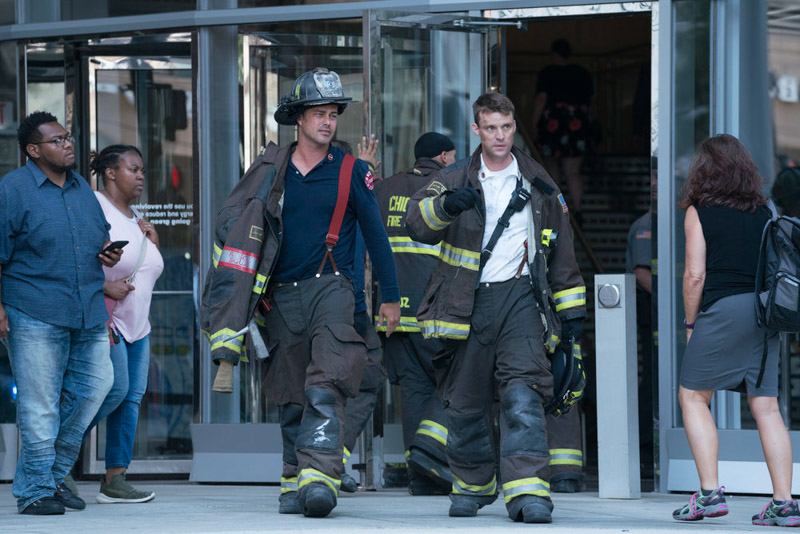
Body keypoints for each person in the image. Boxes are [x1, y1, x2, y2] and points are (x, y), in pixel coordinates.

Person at [201, 68, 400, 518]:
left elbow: (377, 236)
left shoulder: (351, 170)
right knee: (291, 394)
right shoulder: (270, 171)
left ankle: (320, 475)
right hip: (279, 298)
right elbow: (233, 235)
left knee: (326, 382)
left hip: (333, 288)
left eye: (332, 114)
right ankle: (292, 478)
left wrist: (390, 296)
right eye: (318, 114)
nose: (328, 122)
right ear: (299, 119)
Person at [406, 93, 586, 524]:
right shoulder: (454, 177)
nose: (500, 136)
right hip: (465, 303)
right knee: (465, 402)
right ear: (477, 130)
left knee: (524, 394)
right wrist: (447, 206)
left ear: (513, 126)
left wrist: (572, 316)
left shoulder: (539, 182)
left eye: (506, 127)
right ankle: (472, 484)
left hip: (521, 300)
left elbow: (562, 250)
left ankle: (528, 491)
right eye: (491, 128)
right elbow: (415, 221)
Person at [674, 134, 800, 526]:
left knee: (693, 396)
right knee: (766, 406)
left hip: (723, 310)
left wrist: (691, 322)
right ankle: (784, 502)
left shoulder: (699, 211)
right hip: (764, 313)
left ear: (703, 170)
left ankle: (709, 493)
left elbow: (695, 275)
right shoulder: (767, 209)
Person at [0, 111, 121, 515]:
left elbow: (97, 237)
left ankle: (50, 477)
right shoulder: (12, 190)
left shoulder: (82, 187)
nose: (67, 144)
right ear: (33, 151)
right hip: (33, 309)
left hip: (85, 308)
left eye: (67, 137)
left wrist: (109, 251)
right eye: (57, 140)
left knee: (97, 387)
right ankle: (34, 491)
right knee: (39, 405)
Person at [375, 132, 456, 495]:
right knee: (455, 383)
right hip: (432, 310)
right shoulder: (446, 189)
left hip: (391, 312)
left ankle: (418, 475)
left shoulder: (386, 187)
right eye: (452, 157)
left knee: (414, 391)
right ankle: (432, 458)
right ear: (442, 157)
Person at [83, 144, 164, 504]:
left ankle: (115, 479)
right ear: (111, 173)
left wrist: (153, 244)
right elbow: (75, 261)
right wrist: (103, 285)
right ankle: (53, 458)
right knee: (111, 393)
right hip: (108, 320)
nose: (141, 176)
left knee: (130, 399)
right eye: (133, 169)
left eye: (143, 170)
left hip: (138, 326)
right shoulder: (93, 207)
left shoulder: (135, 219)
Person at [531, 38, 594, 224]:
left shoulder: (547, 73)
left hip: (554, 122)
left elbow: (541, 99)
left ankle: (558, 205)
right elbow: (592, 101)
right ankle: (579, 209)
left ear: (553, 53)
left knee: (552, 167)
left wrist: (534, 124)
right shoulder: (582, 73)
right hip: (577, 122)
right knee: (573, 171)